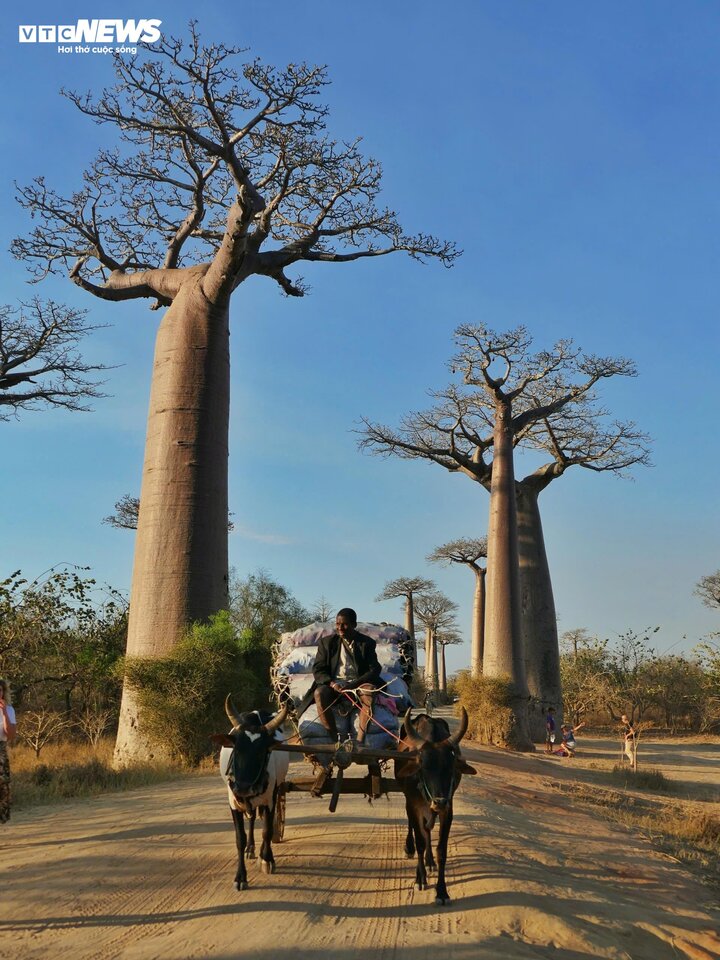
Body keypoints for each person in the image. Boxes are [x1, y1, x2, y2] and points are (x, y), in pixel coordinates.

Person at [297, 609, 382, 796]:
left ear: (354, 625)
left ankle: (359, 743)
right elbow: (318, 670)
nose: (340, 628)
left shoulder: (366, 643)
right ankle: (335, 740)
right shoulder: (327, 643)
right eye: (337, 624)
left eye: (344, 624)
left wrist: (354, 684)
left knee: (369, 692)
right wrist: (332, 683)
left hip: (357, 684)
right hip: (334, 686)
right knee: (320, 694)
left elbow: (374, 669)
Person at [0, 678, 17, 824]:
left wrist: (4, 712)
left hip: (1, 753)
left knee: (2, 790)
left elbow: (10, 735)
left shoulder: (9, 710)